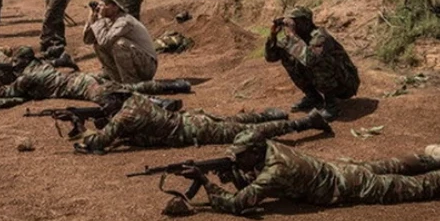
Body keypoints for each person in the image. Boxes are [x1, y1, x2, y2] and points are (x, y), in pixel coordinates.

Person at [177, 131, 440, 216]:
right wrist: (233, 167)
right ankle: (431, 154)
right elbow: (249, 172)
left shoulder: (276, 168)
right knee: (393, 163)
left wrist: (207, 182)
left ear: (253, 151)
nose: (237, 160)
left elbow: (240, 203)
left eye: (241, 156)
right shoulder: (269, 147)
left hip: (349, 186)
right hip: (337, 169)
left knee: (418, 188)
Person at [74, 92, 332, 153]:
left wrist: (83, 133)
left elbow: (99, 143)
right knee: (232, 120)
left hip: (192, 129)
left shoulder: (124, 117)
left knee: (247, 133)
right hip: (190, 118)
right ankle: (269, 112)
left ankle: (306, 123)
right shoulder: (135, 100)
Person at [0, 55, 191, 111]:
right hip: (84, 78)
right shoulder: (39, 66)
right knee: (127, 88)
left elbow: (9, 93)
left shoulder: (27, 77)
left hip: (81, 87)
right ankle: (176, 84)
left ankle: (159, 103)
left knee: (116, 97)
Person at [266, 6, 359, 120]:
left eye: (295, 21)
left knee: (316, 61)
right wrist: (273, 36)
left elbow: (310, 60)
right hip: (331, 80)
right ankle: (313, 97)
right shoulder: (295, 38)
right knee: (287, 56)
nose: (292, 25)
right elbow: (271, 58)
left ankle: (332, 105)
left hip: (345, 83)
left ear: (306, 22)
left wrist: (291, 34)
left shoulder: (320, 36)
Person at [83, 0, 158, 83]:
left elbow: (104, 41)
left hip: (147, 66)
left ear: (116, 7)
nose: (102, 7)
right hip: (137, 60)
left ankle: (131, 82)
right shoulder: (108, 20)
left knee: (119, 44)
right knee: (97, 45)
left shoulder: (124, 21)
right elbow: (88, 40)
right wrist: (92, 18)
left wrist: (100, 19)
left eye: (106, 4)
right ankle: (117, 81)